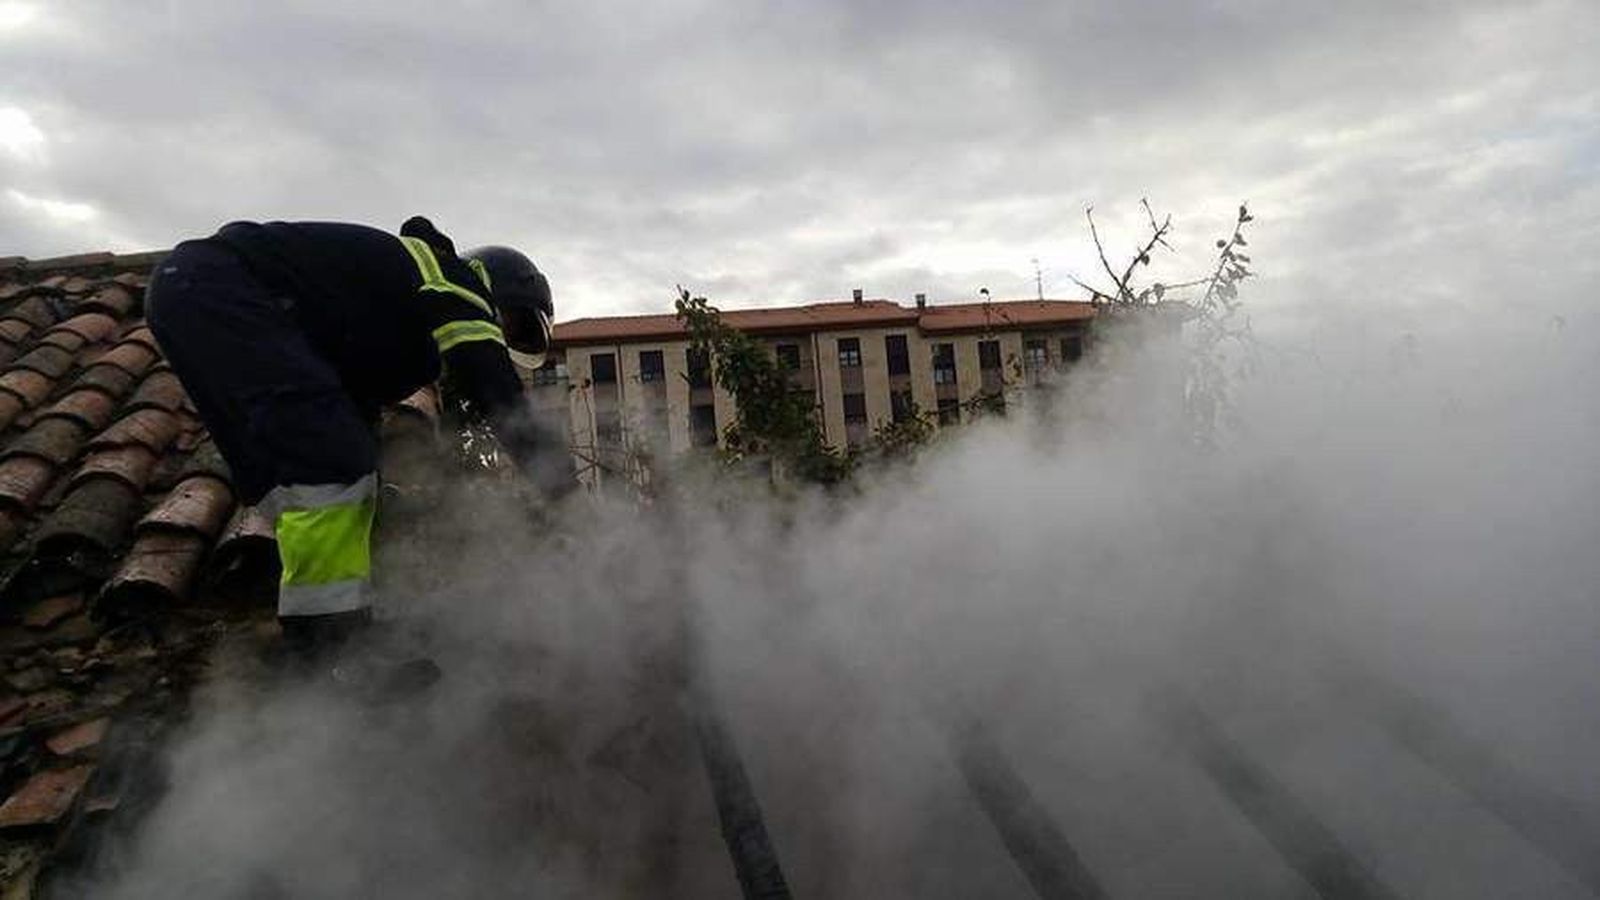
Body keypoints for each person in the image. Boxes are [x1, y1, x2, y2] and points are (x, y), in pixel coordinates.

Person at [146, 216, 558, 688]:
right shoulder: (457, 284)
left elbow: (348, 408)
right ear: (501, 292)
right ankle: (331, 654)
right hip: (222, 286)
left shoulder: (388, 316)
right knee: (332, 466)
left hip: (184, 295)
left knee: (302, 478)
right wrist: (564, 492)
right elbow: (499, 395)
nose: (503, 337)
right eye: (515, 324)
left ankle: (330, 633)